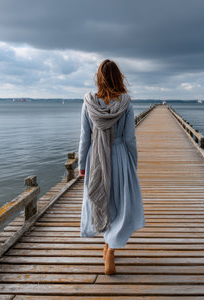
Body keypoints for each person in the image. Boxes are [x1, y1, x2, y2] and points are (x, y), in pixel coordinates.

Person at [78, 59, 145, 275]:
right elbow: (129, 139)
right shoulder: (125, 103)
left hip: (96, 158)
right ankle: (110, 250)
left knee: (102, 200)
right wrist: (132, 163)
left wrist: (81, 165)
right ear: (119, 77)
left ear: (99, 78)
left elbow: (84, 138)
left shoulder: (88, 102)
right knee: (119, 203)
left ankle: (107, 247)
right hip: (119, 156)